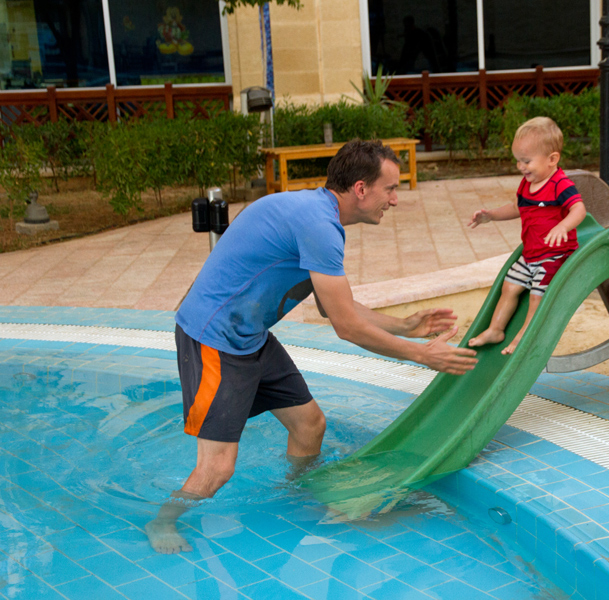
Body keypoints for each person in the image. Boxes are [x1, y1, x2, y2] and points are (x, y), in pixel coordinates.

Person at [145, 139, 478, 554]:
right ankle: (161, 521)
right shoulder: (319, 225)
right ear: (360, 188)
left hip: (248, 336)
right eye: (390, 189)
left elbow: (334, 305)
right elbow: (345, 327)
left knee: (309, 425)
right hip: (214, 340)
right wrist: (420, 354)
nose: (393, 200)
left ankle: (291, 497)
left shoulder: (319, 216)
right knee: (218, 468)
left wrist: (407, 326)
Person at [467, 117, 586, 355]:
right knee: (509, 287)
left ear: (552, 159)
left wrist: (562, 226)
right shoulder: (525, 184)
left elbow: (579, 209)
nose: (521, 167)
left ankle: (524, 335)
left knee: (536, 295)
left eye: (527, 161)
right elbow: (515, 208)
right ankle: (496, 329)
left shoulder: (560, 184)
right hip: (531, 254)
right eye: (518, 161)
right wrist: (490, 215)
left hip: (555, 255)